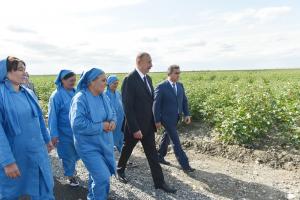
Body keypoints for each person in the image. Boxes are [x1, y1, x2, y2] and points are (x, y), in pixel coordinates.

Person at [117, 52, 176, 193]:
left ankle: (159, 182)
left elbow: (150, 103)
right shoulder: (129, 79)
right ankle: (120, 170)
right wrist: (135, 128)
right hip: (135, 127)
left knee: (153, 156)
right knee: (127, 149)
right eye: (149, 62)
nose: (151, 65)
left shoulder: (148, 79)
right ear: (139, 62)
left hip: (148, 126)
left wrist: (156, 120)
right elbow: (128, 107)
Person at [0, 56, 54, 199]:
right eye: (20, 69)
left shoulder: (28, 93)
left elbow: (39, 119)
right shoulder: (1, 95)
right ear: (6, 72)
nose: (24, 73)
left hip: (37, 151)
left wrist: (47, 139)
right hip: (16, 154)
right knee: (10, 192)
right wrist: (7, 162)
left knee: (45, 187)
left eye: (25, 69)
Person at [69, 68, 117, 200]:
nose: (106, 83)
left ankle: (92, 196)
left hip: (105, 143)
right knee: (102, 178)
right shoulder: (80, 99)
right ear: (91, 81)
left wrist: (113, 121)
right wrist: (101, 126)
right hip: (88, 146)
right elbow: (77, 125)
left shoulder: (104, 96)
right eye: (103, 80)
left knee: (95, 175)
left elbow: (112, 112)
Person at [153, 65, 195, 173]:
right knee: (176, 141)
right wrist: (157, 120)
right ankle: (185, 164)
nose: (178, 75)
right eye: (176, 73)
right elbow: (156, 105)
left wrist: (186, 114)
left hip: (176, 117)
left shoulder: (180, 85)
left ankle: (159, 156)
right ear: (170, 74)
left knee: (167, 136)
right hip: (166, 118)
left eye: (179, 73)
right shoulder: (161, 86)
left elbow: (184, 101)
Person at [48, 70, 80, 186]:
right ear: (63, 80)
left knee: (76, 153)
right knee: (68, 155)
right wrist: (54, 134)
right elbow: (53, 116)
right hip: (64, 132)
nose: (73, 83)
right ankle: (70, 175)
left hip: (76, 132)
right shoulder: (56, 96)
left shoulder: (76, 92)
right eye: (71, 80)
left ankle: (71, 169)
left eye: (74, 80)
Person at [105, 75, 125, 153]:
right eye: (114, 83)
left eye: (117, 83)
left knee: (121, 135)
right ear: (109, 84)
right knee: (111, 136)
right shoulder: (105, 95)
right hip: (111, 120)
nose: (116, 85)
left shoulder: (118, 93)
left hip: (121, 118)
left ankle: (121, 150)